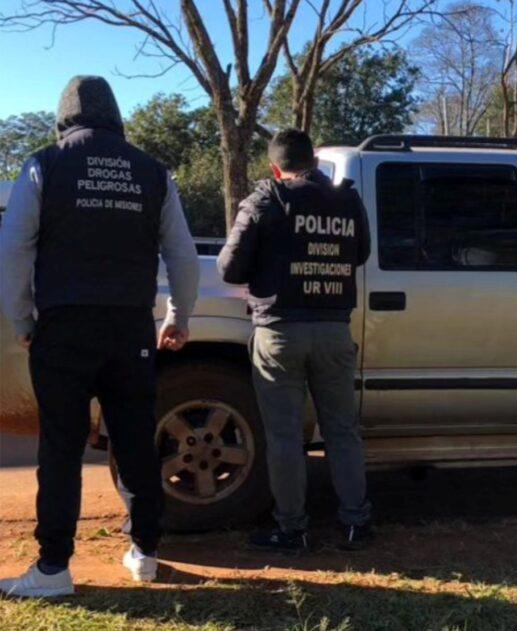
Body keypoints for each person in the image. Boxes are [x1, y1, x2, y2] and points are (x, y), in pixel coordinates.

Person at [0, 76, 200, 597]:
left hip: (63, 326)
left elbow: (14, 250)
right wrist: (178, 314)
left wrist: (24, 322)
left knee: (61, 447)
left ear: (64, 116)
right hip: (131, 326)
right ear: (115, 115)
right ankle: (145, 553)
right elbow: (181, 253)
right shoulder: (154, 172)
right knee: (134, 439)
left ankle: (52, 569)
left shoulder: (44, 164)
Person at [217, 128, 372, 553]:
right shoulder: (348, 200)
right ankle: (357, 523)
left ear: (275, 166)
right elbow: (360, 254)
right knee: (342, 432)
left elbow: (229, 270)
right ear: (315, 162)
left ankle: (293, 530)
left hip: (280, 333)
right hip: (334, 331)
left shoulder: (265, 200)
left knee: (285, 437)